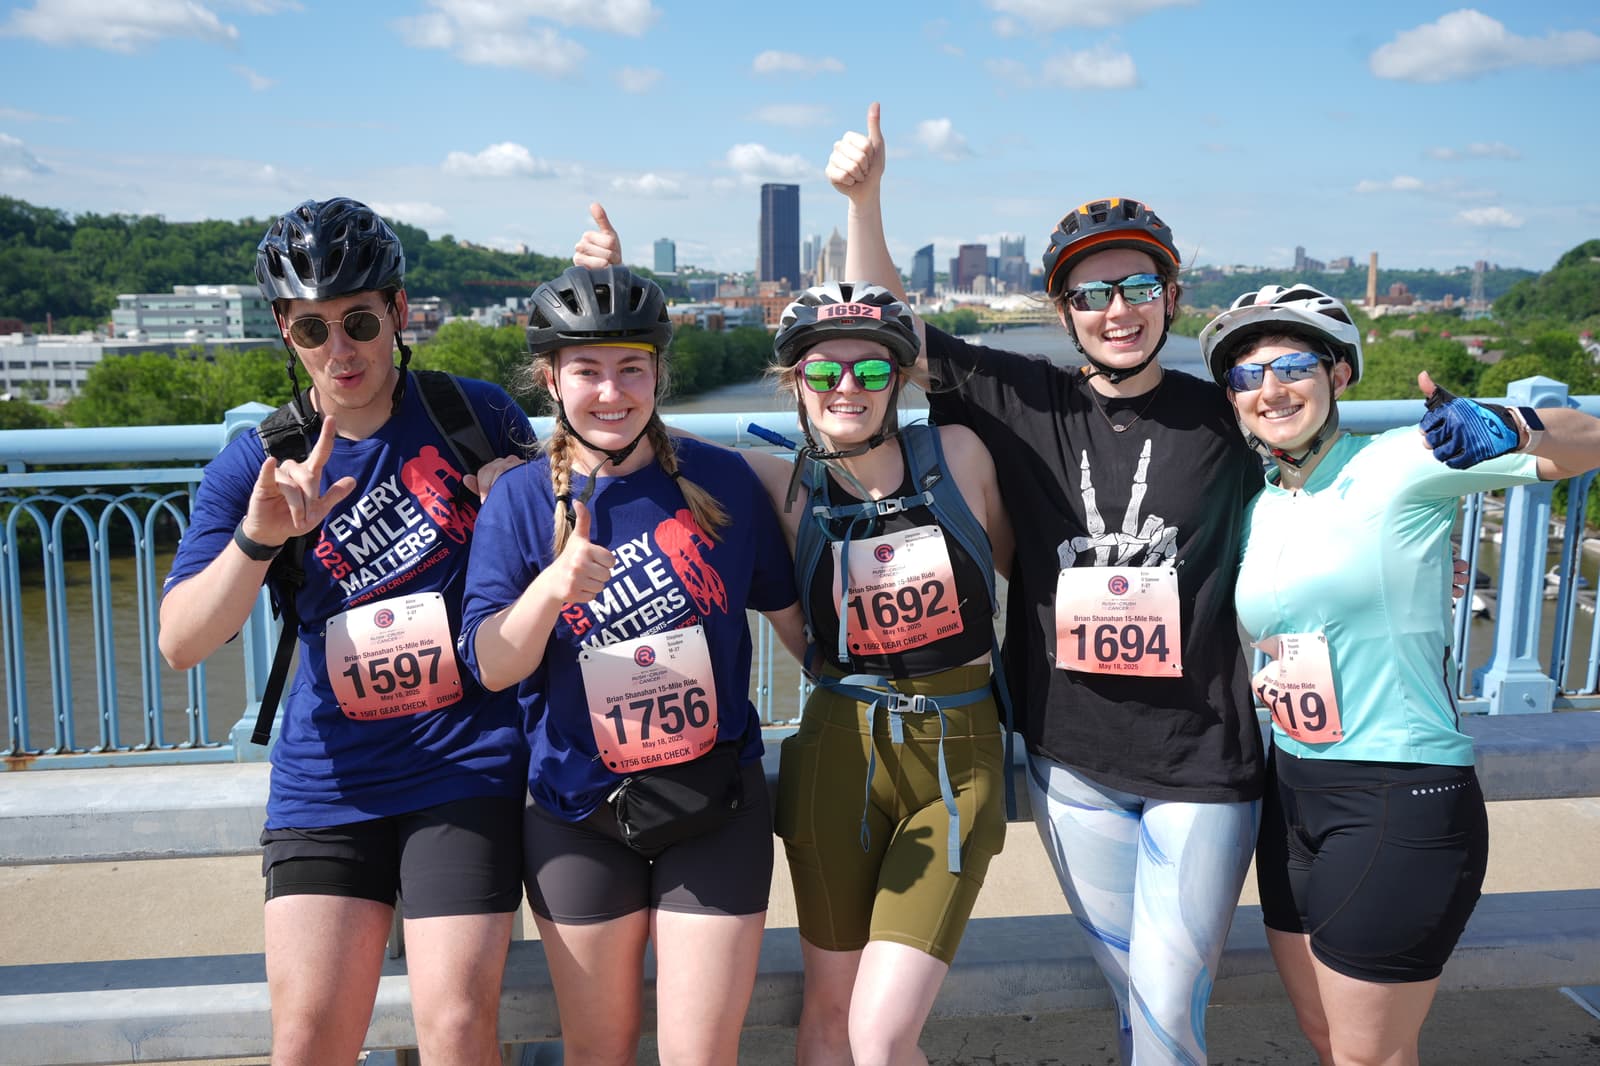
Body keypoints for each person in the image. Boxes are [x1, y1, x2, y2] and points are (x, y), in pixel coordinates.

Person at [827, 104, 1264, 1065]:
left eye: (1138, 284)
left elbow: (1326, 468)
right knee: (1137, 996)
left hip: (1205, 760)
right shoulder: (1023, 401)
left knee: (1164, 1008)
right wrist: (867, 202)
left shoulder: (1229, 415)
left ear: (1172, 295)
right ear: (1063, 312)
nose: (1118, 308)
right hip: (1071, 761)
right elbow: (890, 326)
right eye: (1092, 292)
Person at [158, 197, 533, 1065]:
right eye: (311, 330)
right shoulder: (257, 463)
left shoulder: (472, 419)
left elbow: (556, 573)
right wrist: (260, 539)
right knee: (307, 1039)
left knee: (455, 1025)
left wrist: (522, 510)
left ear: (399, 313)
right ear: (285, 336)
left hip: (464, 765)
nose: (340, 349)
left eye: (360, 320)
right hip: (330, 781)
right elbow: (179, 642)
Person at [1201, 284, 1600, 1066]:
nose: (1270, 390)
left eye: (1292, 367)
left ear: (1339, 375)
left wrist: (1510, 424)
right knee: (1326, 1039)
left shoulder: (1402, 461)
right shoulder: (1261, 502)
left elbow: (1588, 440)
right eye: (1247, 377)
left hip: (1397, 793)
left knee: (1370, 1058)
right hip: (1294, 797)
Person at [457, 263, 807, 1065]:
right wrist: (550, 589)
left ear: (658, 375)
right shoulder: (516, 501)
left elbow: (803, 633)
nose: (610, 393)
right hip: (576, 811)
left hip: (713, 801)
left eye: (630, 369)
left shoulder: (722, 480)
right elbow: (492, 667)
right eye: (586, 371)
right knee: (598, 1053)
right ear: (551, 379)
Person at [767, 283, 1014, 1064]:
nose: (848, 388)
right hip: (837, 746)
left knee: (879, 1037)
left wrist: (863, 202)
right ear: (795, 382)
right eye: (824, 372)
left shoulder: (959, 457)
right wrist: (507, 465)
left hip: (955, 752)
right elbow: (622, 436)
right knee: (828, 1015)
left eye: (872, 374)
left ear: (900, 382)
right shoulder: (777, 485)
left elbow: (1024, 565)